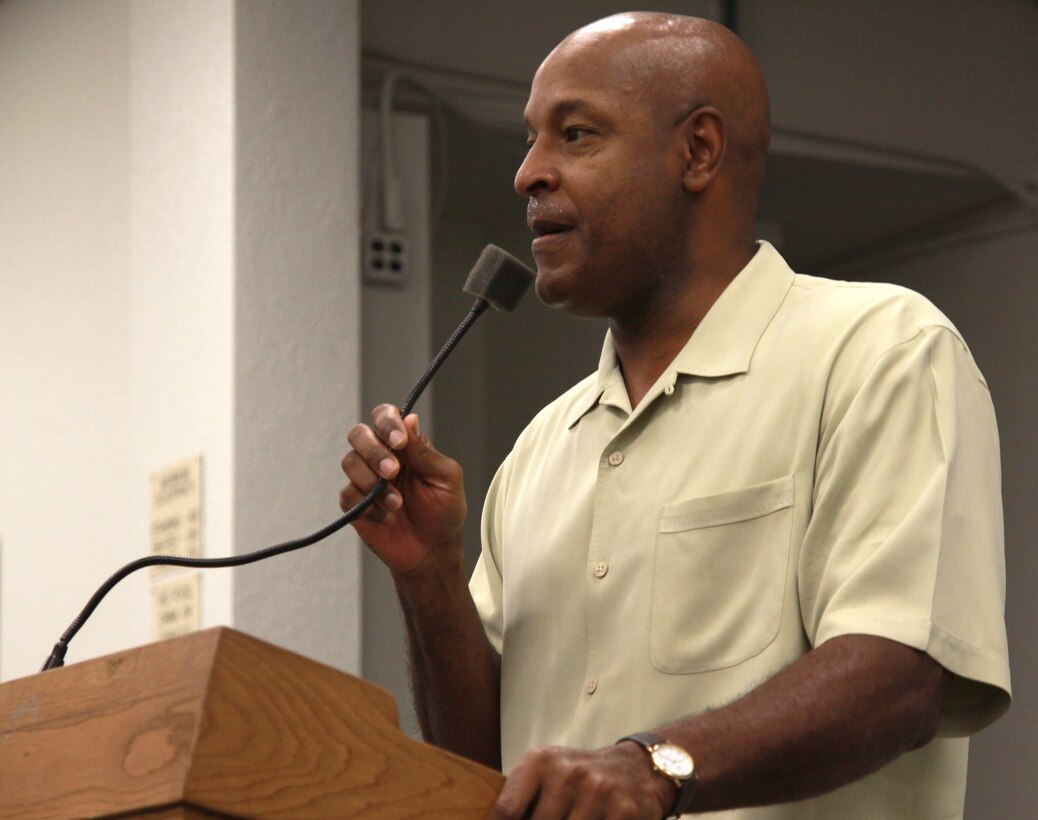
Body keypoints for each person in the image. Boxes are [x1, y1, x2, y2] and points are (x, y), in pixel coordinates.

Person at [340, 12, 1010, 819]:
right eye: (528, 140)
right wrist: (431, 579)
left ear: (697, 151)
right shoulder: (541, 450)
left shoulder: (879, 350)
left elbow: (905, 674)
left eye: (575, 134)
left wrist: (657, 765)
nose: (527, 174)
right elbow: (490, 767)